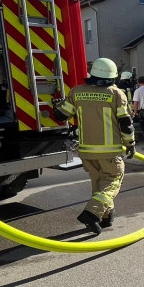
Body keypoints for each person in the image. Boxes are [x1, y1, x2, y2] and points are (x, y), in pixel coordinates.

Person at [53, 57, 135, 235]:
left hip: (86, 152)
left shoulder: (76, 92)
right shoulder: (116, 93)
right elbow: (125, 123)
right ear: (113, 76)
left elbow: (61, 116)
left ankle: (106, 217)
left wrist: (55, 106)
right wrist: (130, 144)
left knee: (99, 185)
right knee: (112, 183)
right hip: (110, 152)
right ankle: (91, 215)